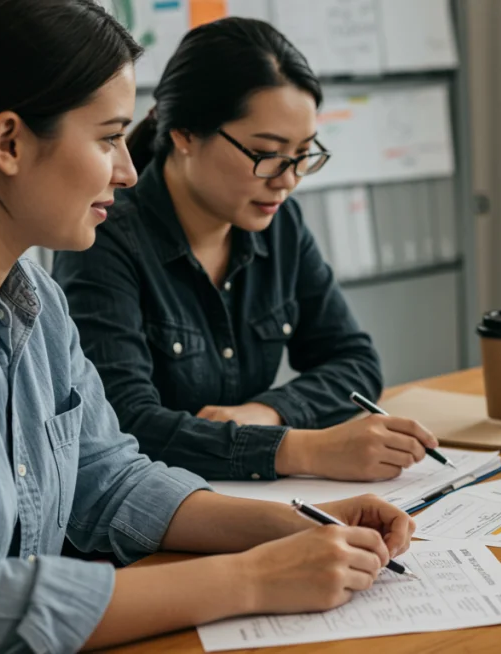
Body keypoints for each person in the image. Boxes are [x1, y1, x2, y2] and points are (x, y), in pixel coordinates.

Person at [0, 1, 416, 651]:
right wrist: (253, 580)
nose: (127, 168)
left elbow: (110, 480)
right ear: (9, 143)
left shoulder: (37, 303)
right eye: (108, 138)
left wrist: (295, 524)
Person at [52, 17, 438, 483]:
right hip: (150, 518)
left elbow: (355, 361)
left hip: (246, 498)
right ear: (185, 134)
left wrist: (267, 412)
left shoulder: (278, 224)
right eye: (267, 154)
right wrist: (301, 449)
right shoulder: (106, 235)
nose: (288, 180)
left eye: (302, 153)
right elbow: (124, 424)